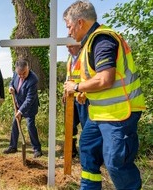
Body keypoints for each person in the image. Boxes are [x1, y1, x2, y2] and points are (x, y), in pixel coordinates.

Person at [63, 1, 146, 189]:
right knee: (87, 147)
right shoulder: (89, 43)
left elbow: (105, 79)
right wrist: (84, 90)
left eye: (69, 27)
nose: (69, 33)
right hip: (100, 114)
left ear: (80, 23)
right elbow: (98, 80)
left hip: (119, 113)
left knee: (116, 162)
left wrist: (76, 87)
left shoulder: (102, 40)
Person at [3, 59, 42, 158]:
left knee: (30, 126)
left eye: (24, 73)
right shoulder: (16, 73)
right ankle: (13, 146)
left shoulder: (33, 80)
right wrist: (10, 87)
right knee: (14, 124)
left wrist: (20, 111)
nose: (21, 76)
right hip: (18, 104)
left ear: (27, 67)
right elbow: (12, 82)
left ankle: (37, 149)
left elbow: (29, 99)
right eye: (19, 74)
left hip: (29, 107)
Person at [62, 44, 89, 158]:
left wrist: (84, 92)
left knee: (86, 126)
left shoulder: (85, 56)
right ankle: (71, 151)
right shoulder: (69, 57)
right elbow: (69, 76)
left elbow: (90, 77)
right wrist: (65, 92)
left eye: (71, 47)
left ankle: (88, 154)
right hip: (71, 97)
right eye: (67, 47)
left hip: (83, 98)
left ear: (79, 45)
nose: (68, 49)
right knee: (70, 126)